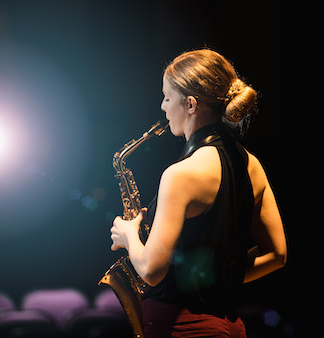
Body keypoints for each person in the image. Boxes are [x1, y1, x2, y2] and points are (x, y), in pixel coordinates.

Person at [110, 49, 287, 337]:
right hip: (231, 329)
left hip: (181, 329)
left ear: (190, 104)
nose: (163, 106)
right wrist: (218, 280)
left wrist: (128, 235)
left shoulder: (180, 174)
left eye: (167, 97)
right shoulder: (252, 164)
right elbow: (277, 254)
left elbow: (151, 271)